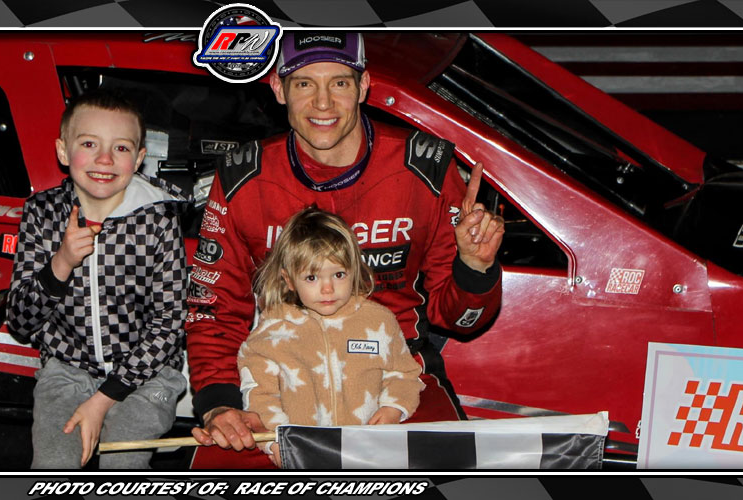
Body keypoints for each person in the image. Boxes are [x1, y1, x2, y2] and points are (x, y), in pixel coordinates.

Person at [186, 32, 506, 468]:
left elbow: (459, 320)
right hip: (278, 384)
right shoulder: (244, 177)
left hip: (396, 381)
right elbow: (214, 309)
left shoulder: (424, 168)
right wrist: (220, 404)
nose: (323, 103)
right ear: (279, 88)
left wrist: (475, 267)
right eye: (304, 83)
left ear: (363, 86)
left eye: (339, 82)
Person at [6, 90, 188, 469]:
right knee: (53, 467)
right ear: (63, 150)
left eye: (120, 148)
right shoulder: (42, 213)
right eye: (89, 144)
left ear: (138, 158)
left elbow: (169, 323)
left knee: (123, 461)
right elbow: (20, 323)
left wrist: (104, 398)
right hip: (67, 370)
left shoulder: (158, 218)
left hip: (146, 375)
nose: (105, 159)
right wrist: (61, 263)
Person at [238, 207, 424, 467]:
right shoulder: (272, 331)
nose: (327, 289)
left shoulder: (378, 321)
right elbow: (259, 395)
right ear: (289, 280)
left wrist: (393, 409)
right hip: (303, 454)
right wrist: (275, 442)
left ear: (354, 270)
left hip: (366, 454)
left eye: (338, 274)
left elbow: (404, 374)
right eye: (311, 277)